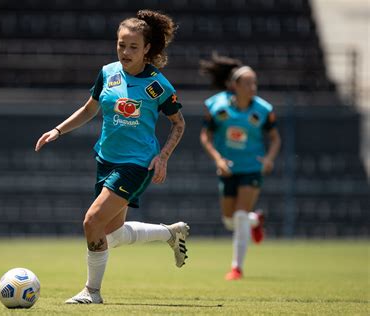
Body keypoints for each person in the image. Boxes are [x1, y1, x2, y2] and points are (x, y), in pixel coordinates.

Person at [35, 10, 189, 304]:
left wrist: (163, 157)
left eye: (133, 46)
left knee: (92, 222)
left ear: (147, 49)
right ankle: (170, 233)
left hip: (137, 164)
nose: (126, 52)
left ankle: (92, 292)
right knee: (111, 234)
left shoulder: (157, 85)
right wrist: (58, 130)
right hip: (106, 159)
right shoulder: (107, 72)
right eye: (121, 45)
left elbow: (179, 123)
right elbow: (89, 109)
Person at [199, 53, 281, 280]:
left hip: (252, 168)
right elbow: (205, 136)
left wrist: (268, 159)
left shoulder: (263, 109)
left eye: (255, 83)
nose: (253, 87)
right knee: (229, 220)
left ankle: (237, 267)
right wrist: (218, 159)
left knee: (240, 215)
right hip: (228, 169)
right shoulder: (216, 106)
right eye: (248, 83)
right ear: (234, 85)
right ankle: (257, 220)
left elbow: (275, 138)